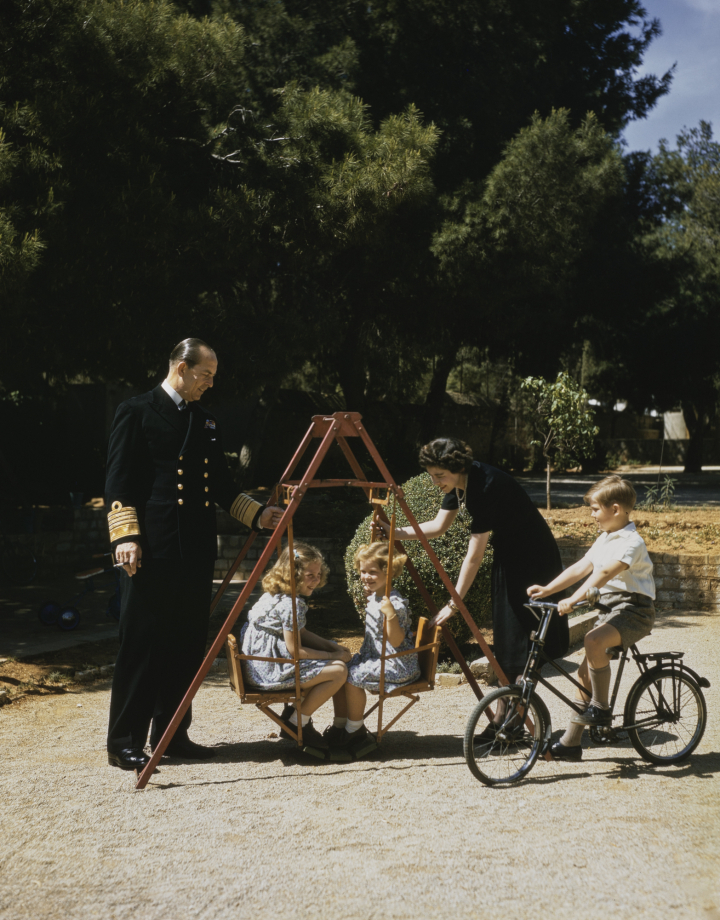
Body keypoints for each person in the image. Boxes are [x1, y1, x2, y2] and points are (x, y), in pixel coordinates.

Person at [105, 338, 284, 771]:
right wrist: (124, 537)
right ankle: (124, 741)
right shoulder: (137, 411)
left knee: (185, 645)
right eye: (205, 375)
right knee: (142, 643)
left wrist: (260, 515)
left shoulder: (205, 421)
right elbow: (118, 482)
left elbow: (221, 487)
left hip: (195, 550)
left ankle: (172, 734)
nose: (209, 385)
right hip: (150, 550)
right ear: (182, 368)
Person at [386, 437, 568, 739]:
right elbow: (438, 526)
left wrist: (454, 604)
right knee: (507, 643)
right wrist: (395, 532)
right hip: (509, 558)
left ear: (457, 467)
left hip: (534, 561)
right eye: (432, 475)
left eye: (439, 475)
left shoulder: (485, 485)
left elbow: (474, 554)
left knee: (523, 643)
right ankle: (503, 718)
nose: (434, 482)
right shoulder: (458, 484)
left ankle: (513, 719)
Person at [527, 475, 655, 762]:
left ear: (616, 509)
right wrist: (549, 589)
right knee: (584, 674)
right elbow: (582, 567)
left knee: (592, 639)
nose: (593, 515)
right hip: (611, 609)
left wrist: (573, 599)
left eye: (596, 509)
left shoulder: (632, 542)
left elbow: (604, 574)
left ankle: (602, 708)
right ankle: (571, 744)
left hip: (635, 610)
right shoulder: (606, 538)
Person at [241, 542, 351, 750]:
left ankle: (293, 714)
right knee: (338, 671)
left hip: (259, 666)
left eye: (318, 575)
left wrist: (332, 646)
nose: (316, 580)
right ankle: (298, 722)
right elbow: (297, 651)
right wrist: (333, 656)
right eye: (310, 575)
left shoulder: (274, 596)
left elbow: (301, 633)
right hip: (269, 671)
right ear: (292, 574)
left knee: (334, 660)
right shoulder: (291, 605)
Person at [328, 542, 420, 754]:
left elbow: (396, 641)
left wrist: (390, 614)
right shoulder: (375, 596)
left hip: (397, 664)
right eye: (363, 571)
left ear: (389, 572)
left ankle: (355, 730)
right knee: (340, 670)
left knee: (352, 677)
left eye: (373, 572)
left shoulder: (393, 603)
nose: (366, 577)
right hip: (377, 658)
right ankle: (340, 724)